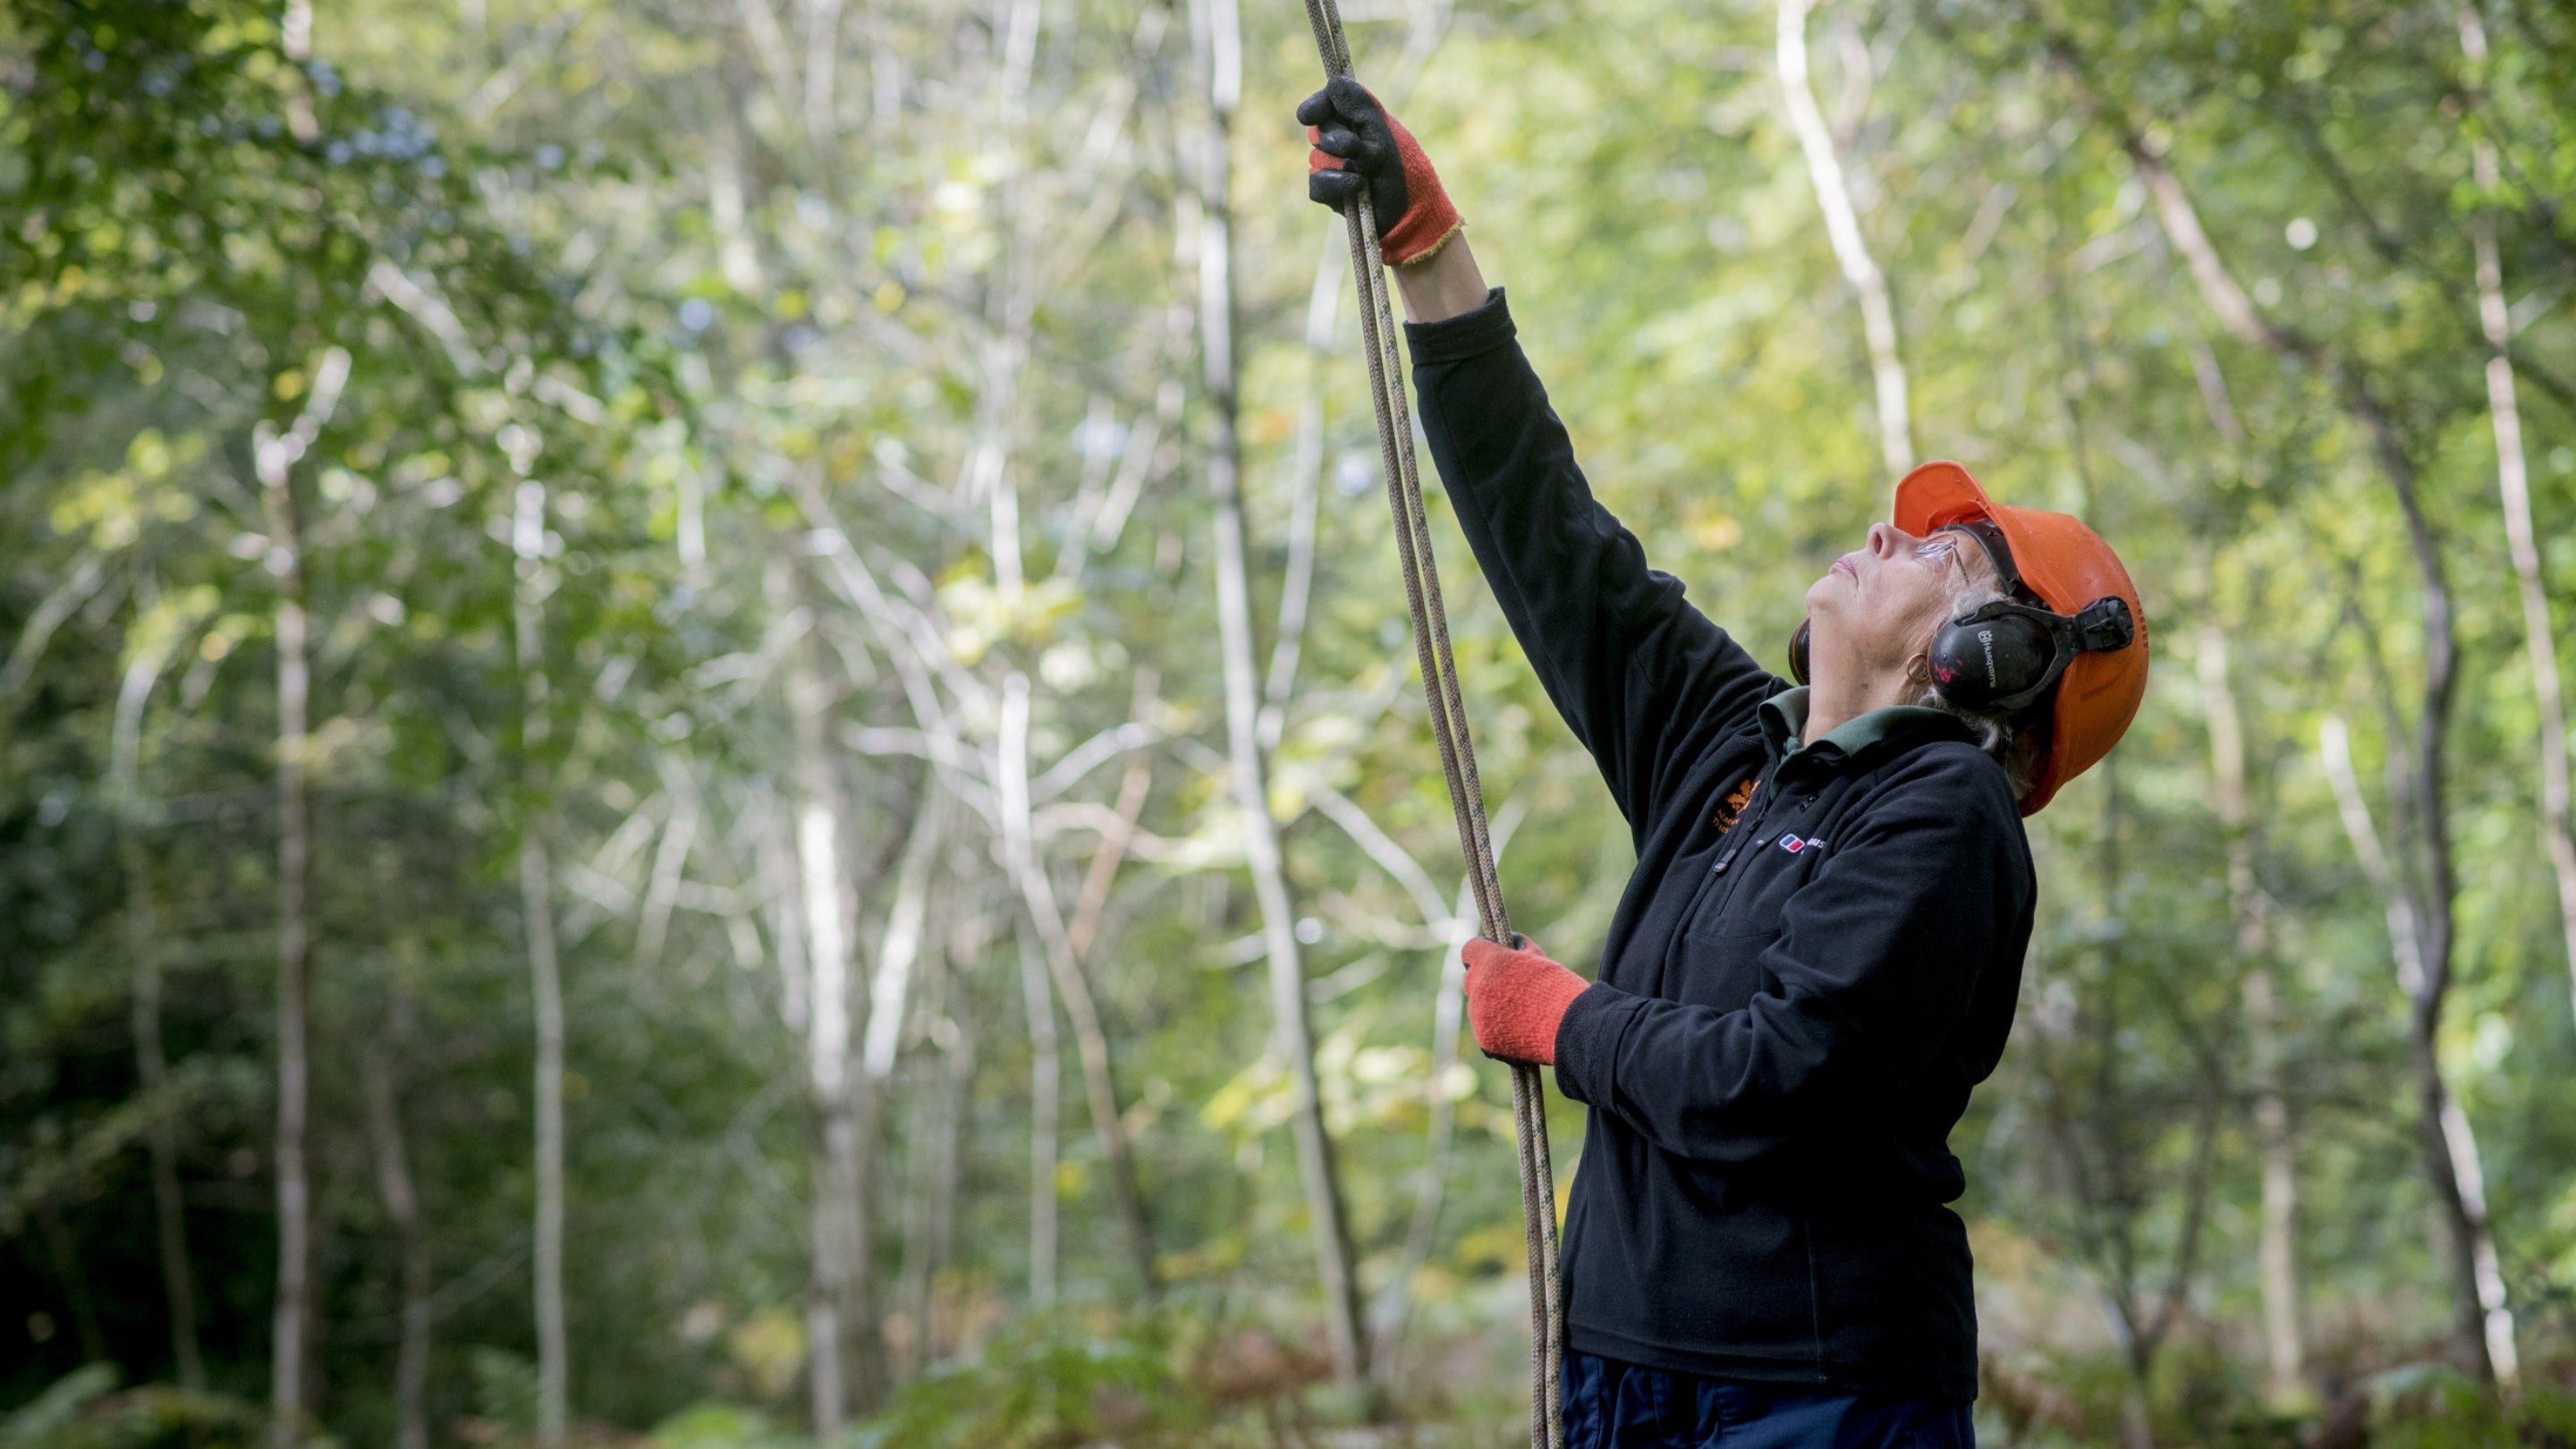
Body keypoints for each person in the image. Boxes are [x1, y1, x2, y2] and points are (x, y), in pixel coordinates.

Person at [1300, 77, 2149, 1448]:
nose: (1891, 533)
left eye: (1948, 556)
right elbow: (1553, 536)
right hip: (1624, 1366)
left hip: (1814, 1395)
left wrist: (1560, 1020)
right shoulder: (1733, 743)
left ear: (1992, 661)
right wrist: (1427, 247)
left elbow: (1784, 1079)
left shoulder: (1945, 815)